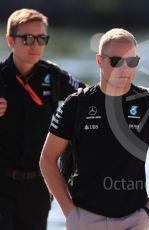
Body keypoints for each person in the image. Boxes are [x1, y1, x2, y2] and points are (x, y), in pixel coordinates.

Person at [40, 28, 149, 230]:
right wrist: (69, 211)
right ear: (99, 61)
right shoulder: (77, 103)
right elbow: (47, 159)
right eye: (116, 62)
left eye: (132, 62)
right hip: (85, 218)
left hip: (133, 219)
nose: (125, 69)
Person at [0, 8, 86, 230]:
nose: (35, 45)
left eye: (41, 38)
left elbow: (89, 99)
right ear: (11, 40)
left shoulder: (54, 76)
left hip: (38, 186)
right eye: (27, 38)